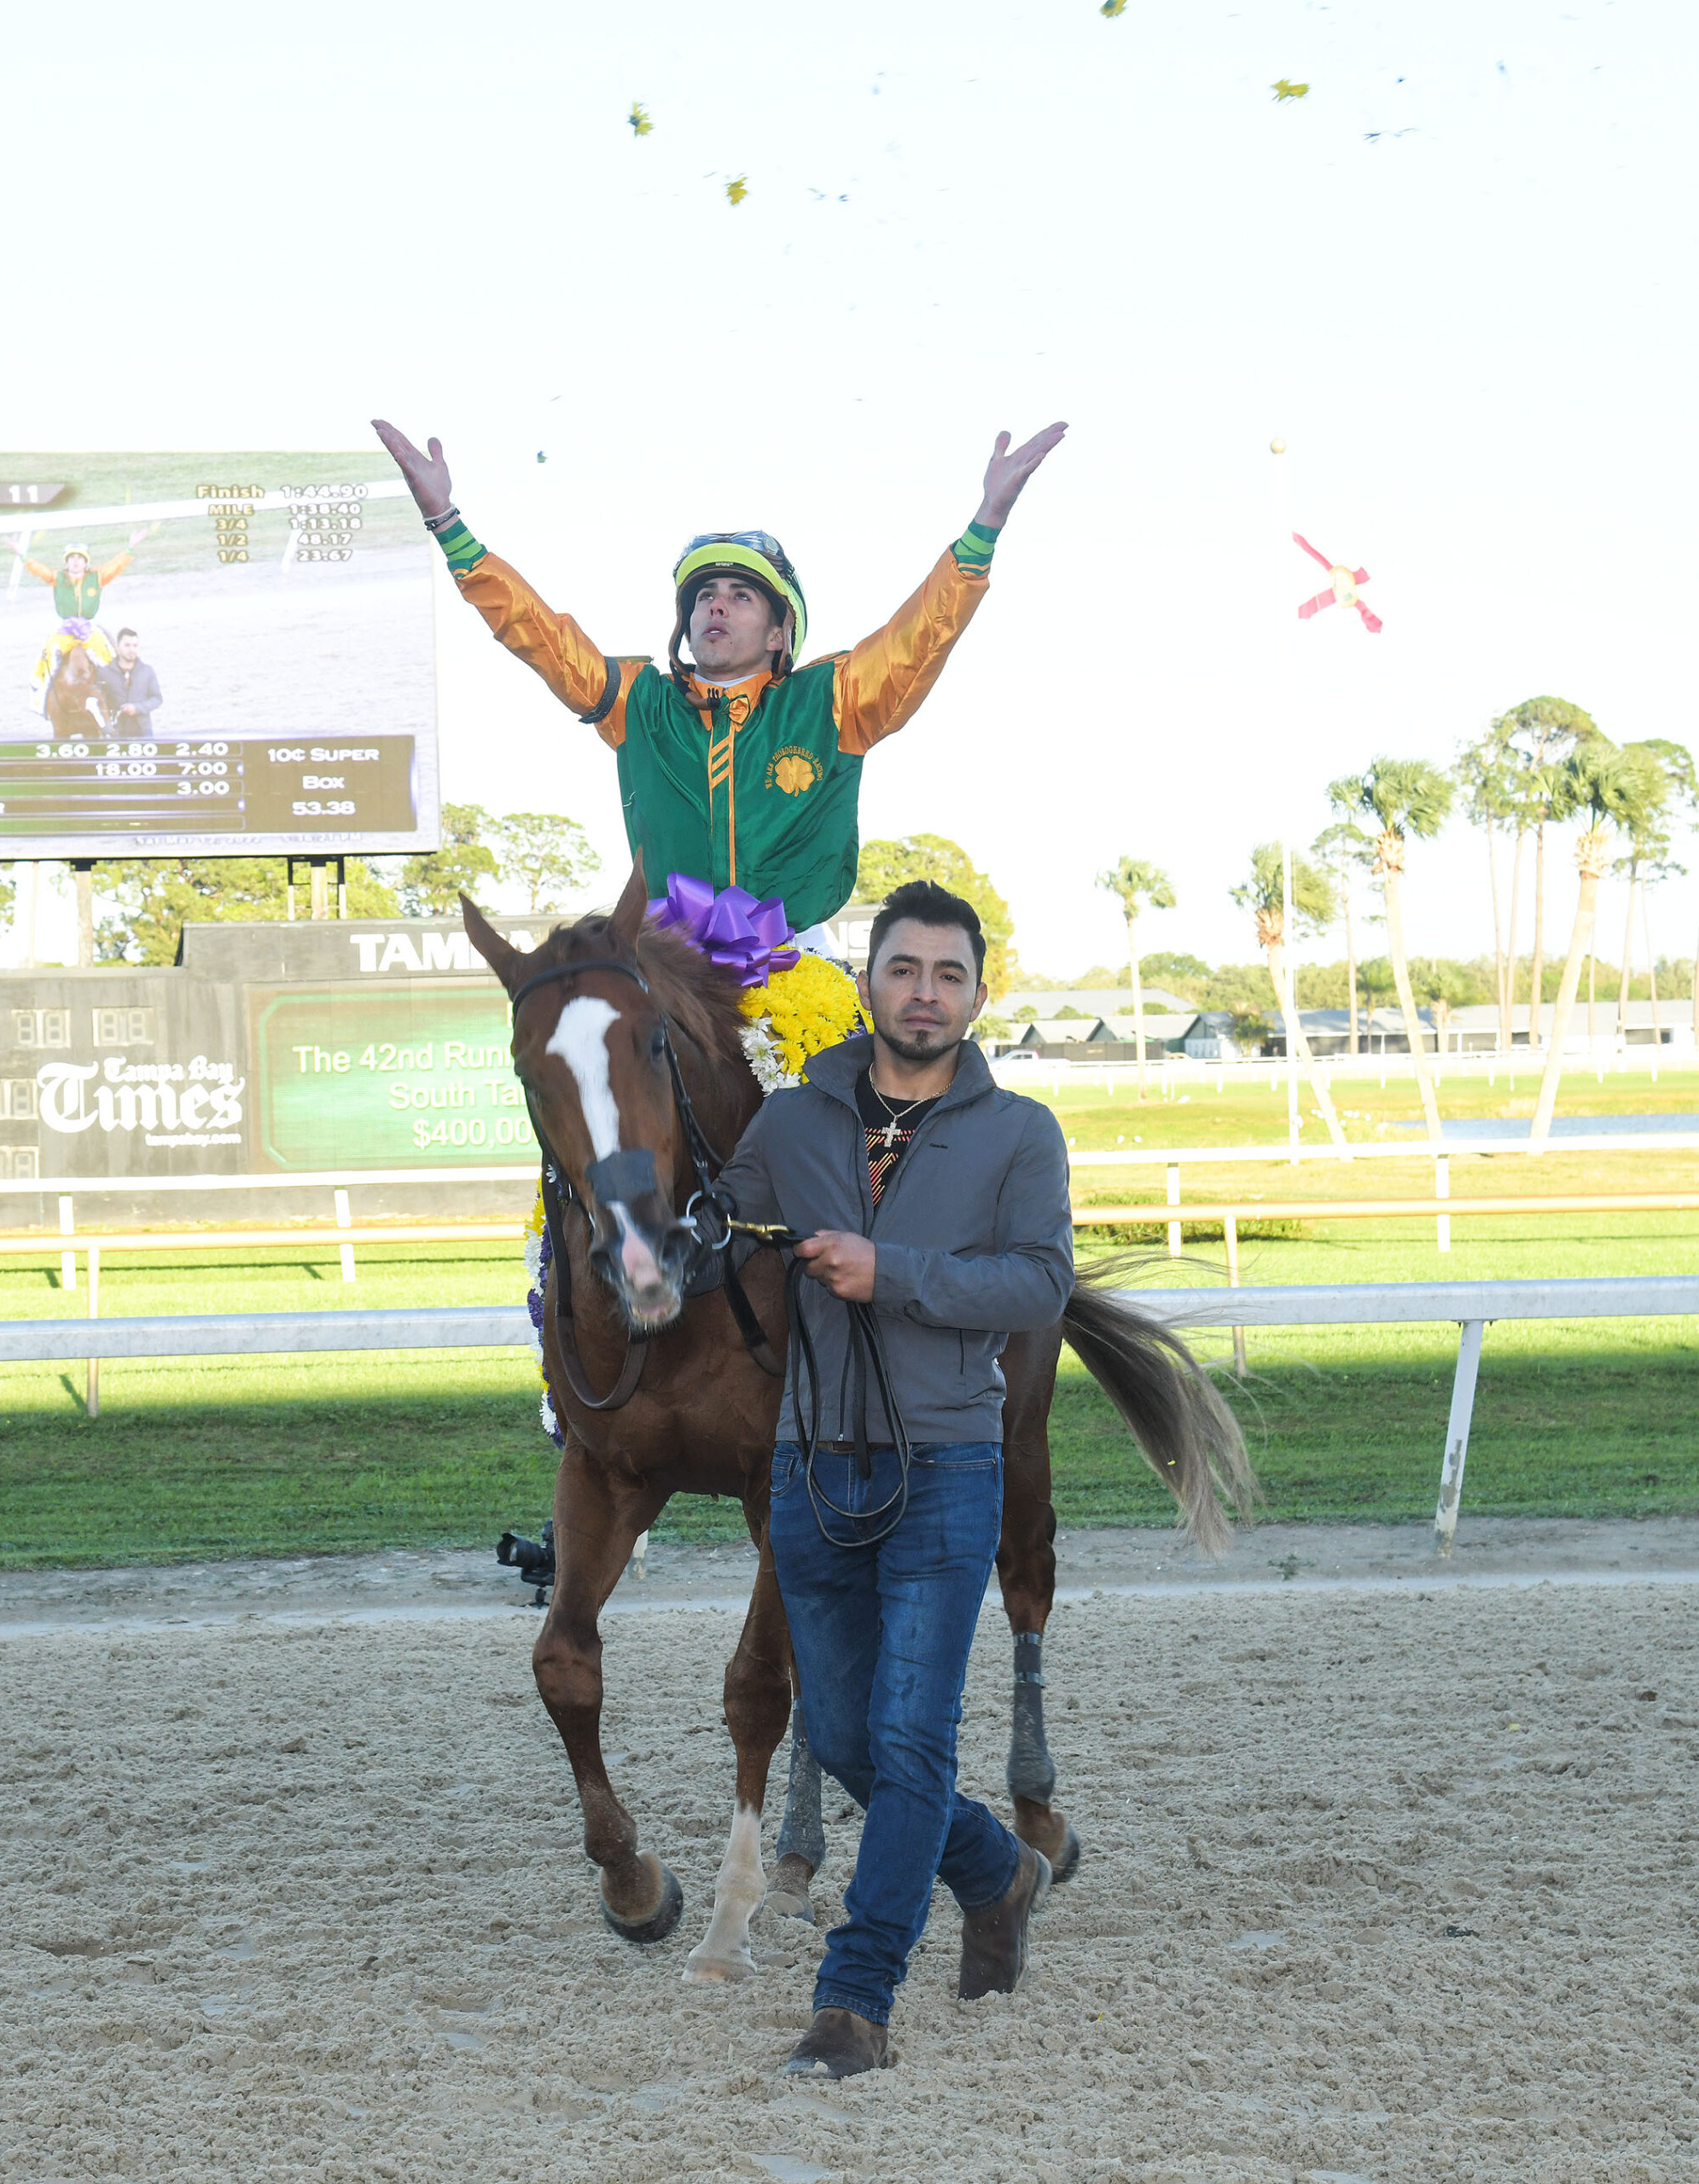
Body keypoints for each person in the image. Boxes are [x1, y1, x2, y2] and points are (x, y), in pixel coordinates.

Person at [718, 879, 1075, 2077]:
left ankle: (853, 2000)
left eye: (950, 974)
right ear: (867, 981)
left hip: (949, 1466)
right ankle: (994, 1870)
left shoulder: (1019, 1131)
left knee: (910, 1742)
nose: (926, 992)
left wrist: (895, 1270)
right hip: (808, 1469)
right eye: (905, 968)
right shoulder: (789, 1120)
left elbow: (1037, 1287)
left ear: (977, 995)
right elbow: (715, 1236)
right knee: (856, 1746)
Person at [370, 417, 1066, 935]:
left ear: (776, 631)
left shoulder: (836, 699)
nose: (716, 605)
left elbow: (922, 635)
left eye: (740, 594)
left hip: (798, 951)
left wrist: (985, 525)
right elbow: (536, 633)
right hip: (669, 956)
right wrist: (447, 523)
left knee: (844, 1105)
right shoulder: (637, 701)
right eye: (704, 595)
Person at [9, 531, 149, 704]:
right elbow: (37, 569)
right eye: (72, 558)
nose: (76, 562)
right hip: (65, 630)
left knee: (107, 654)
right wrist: (22, 555)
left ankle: (120, 690)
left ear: (86, 562)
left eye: (79, 558)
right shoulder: (57, 578)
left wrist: (130, 548)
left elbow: (116, 566)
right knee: (49, 651)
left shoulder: (97, 577)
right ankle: (40, 693)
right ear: (66, 563)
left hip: (89, 630)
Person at [95, 629, 164, 731]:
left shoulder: (147, 671)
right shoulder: (104, 673)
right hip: (115, 732)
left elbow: (157, 699)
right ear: (118, 647)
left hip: (143, 731)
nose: (132, 650)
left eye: (135, 646)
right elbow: (97, 701)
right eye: (127, 645)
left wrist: (137, 708)